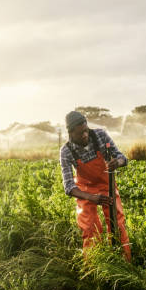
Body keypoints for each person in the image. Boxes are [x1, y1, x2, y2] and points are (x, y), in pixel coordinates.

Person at [59, 111, 132, 262]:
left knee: (117, 224)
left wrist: (117, 162)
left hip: (106, 185)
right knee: (90, 227)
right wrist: (92, 198)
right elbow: (68, 187)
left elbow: (122, 157)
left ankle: (124, 262)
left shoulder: (100, 135)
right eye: (80, 133)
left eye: (86, 130)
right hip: (85, 190)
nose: (85, 135)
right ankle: (94, 266)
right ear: (71, 133)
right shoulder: (66, 151)